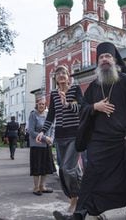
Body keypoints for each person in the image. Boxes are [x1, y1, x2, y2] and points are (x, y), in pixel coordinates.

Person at [53, 42, 126, 220]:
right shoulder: (94, 86)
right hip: (99, 141)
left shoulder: (125, 81)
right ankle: (79, 214)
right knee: (90, 177)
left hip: (121, 140)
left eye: (107, 56)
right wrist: (95, 106)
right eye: (101, 57)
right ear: (98, 62)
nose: (104, 59)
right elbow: (83, 107)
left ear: (114, 60)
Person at [36, 65, 83, 214]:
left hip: (75, 135)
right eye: (58, 73)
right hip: (60, 137)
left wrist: (67, 104)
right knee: (63, 170)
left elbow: (82, 107)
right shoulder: (54, 94)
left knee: (68, 169)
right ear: (55, 78)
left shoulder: (75, 89)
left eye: (64, 72)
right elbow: (51, 116)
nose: (61, 75)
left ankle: (75, 199)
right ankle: (79, 194)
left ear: (68, 76)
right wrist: (42, 132)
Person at [27, 97, 56, 196]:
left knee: (45, 166)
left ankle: (42, 186)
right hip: (37, 145)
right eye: (39, 104)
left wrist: (51, 139)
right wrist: (45, 138)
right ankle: (36, 188)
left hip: (47, 145)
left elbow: (52, 128)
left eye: (43, 104)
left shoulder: (48, 115)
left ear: (45, 105)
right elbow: (31, 131)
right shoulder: (33, 115)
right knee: (37, 166)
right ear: (36, 104)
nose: (41, 106)